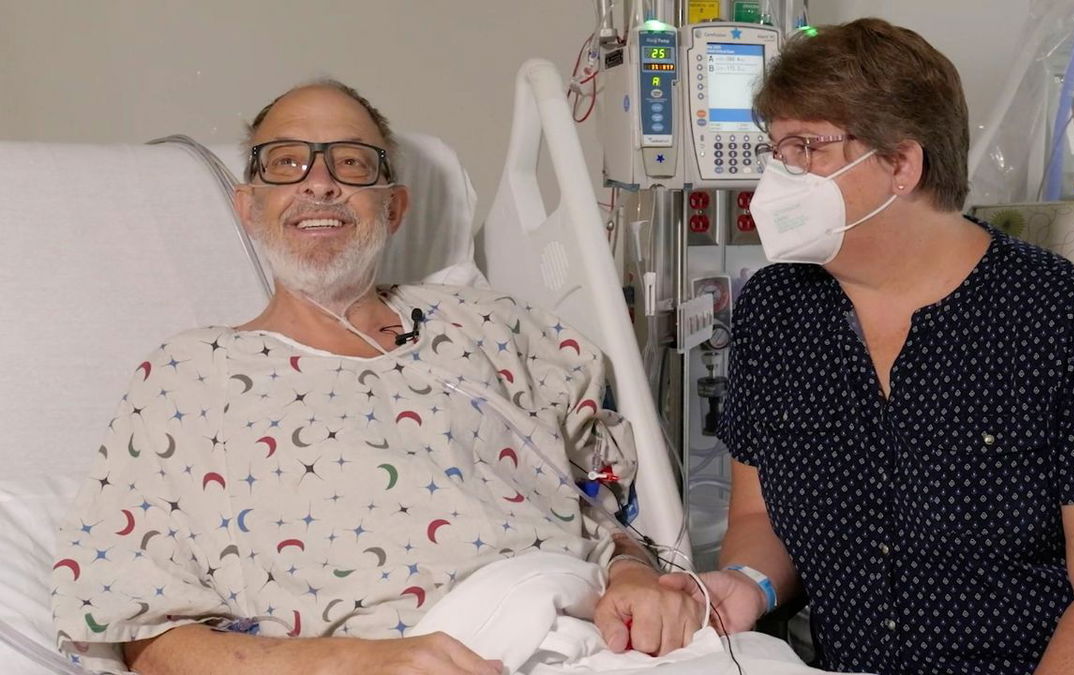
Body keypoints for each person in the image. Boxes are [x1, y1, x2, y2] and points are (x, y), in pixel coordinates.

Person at [50, 80, 701, 674]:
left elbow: (614, 508)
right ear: (248, 206)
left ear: (393, 206)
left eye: (352, 163)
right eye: (286, 162)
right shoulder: (190, 377)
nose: (320, 183)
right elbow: (151, 643)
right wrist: (355, 660)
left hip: (600, 639)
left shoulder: (497, 326)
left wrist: (633, 575)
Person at [655, 17, 1074, 674]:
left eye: (807, 149)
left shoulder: (1065, 319)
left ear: (901, 164)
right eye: (777, 151)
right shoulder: (776, 309)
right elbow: (760, 512)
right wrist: (746, 583)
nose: (778, 177)